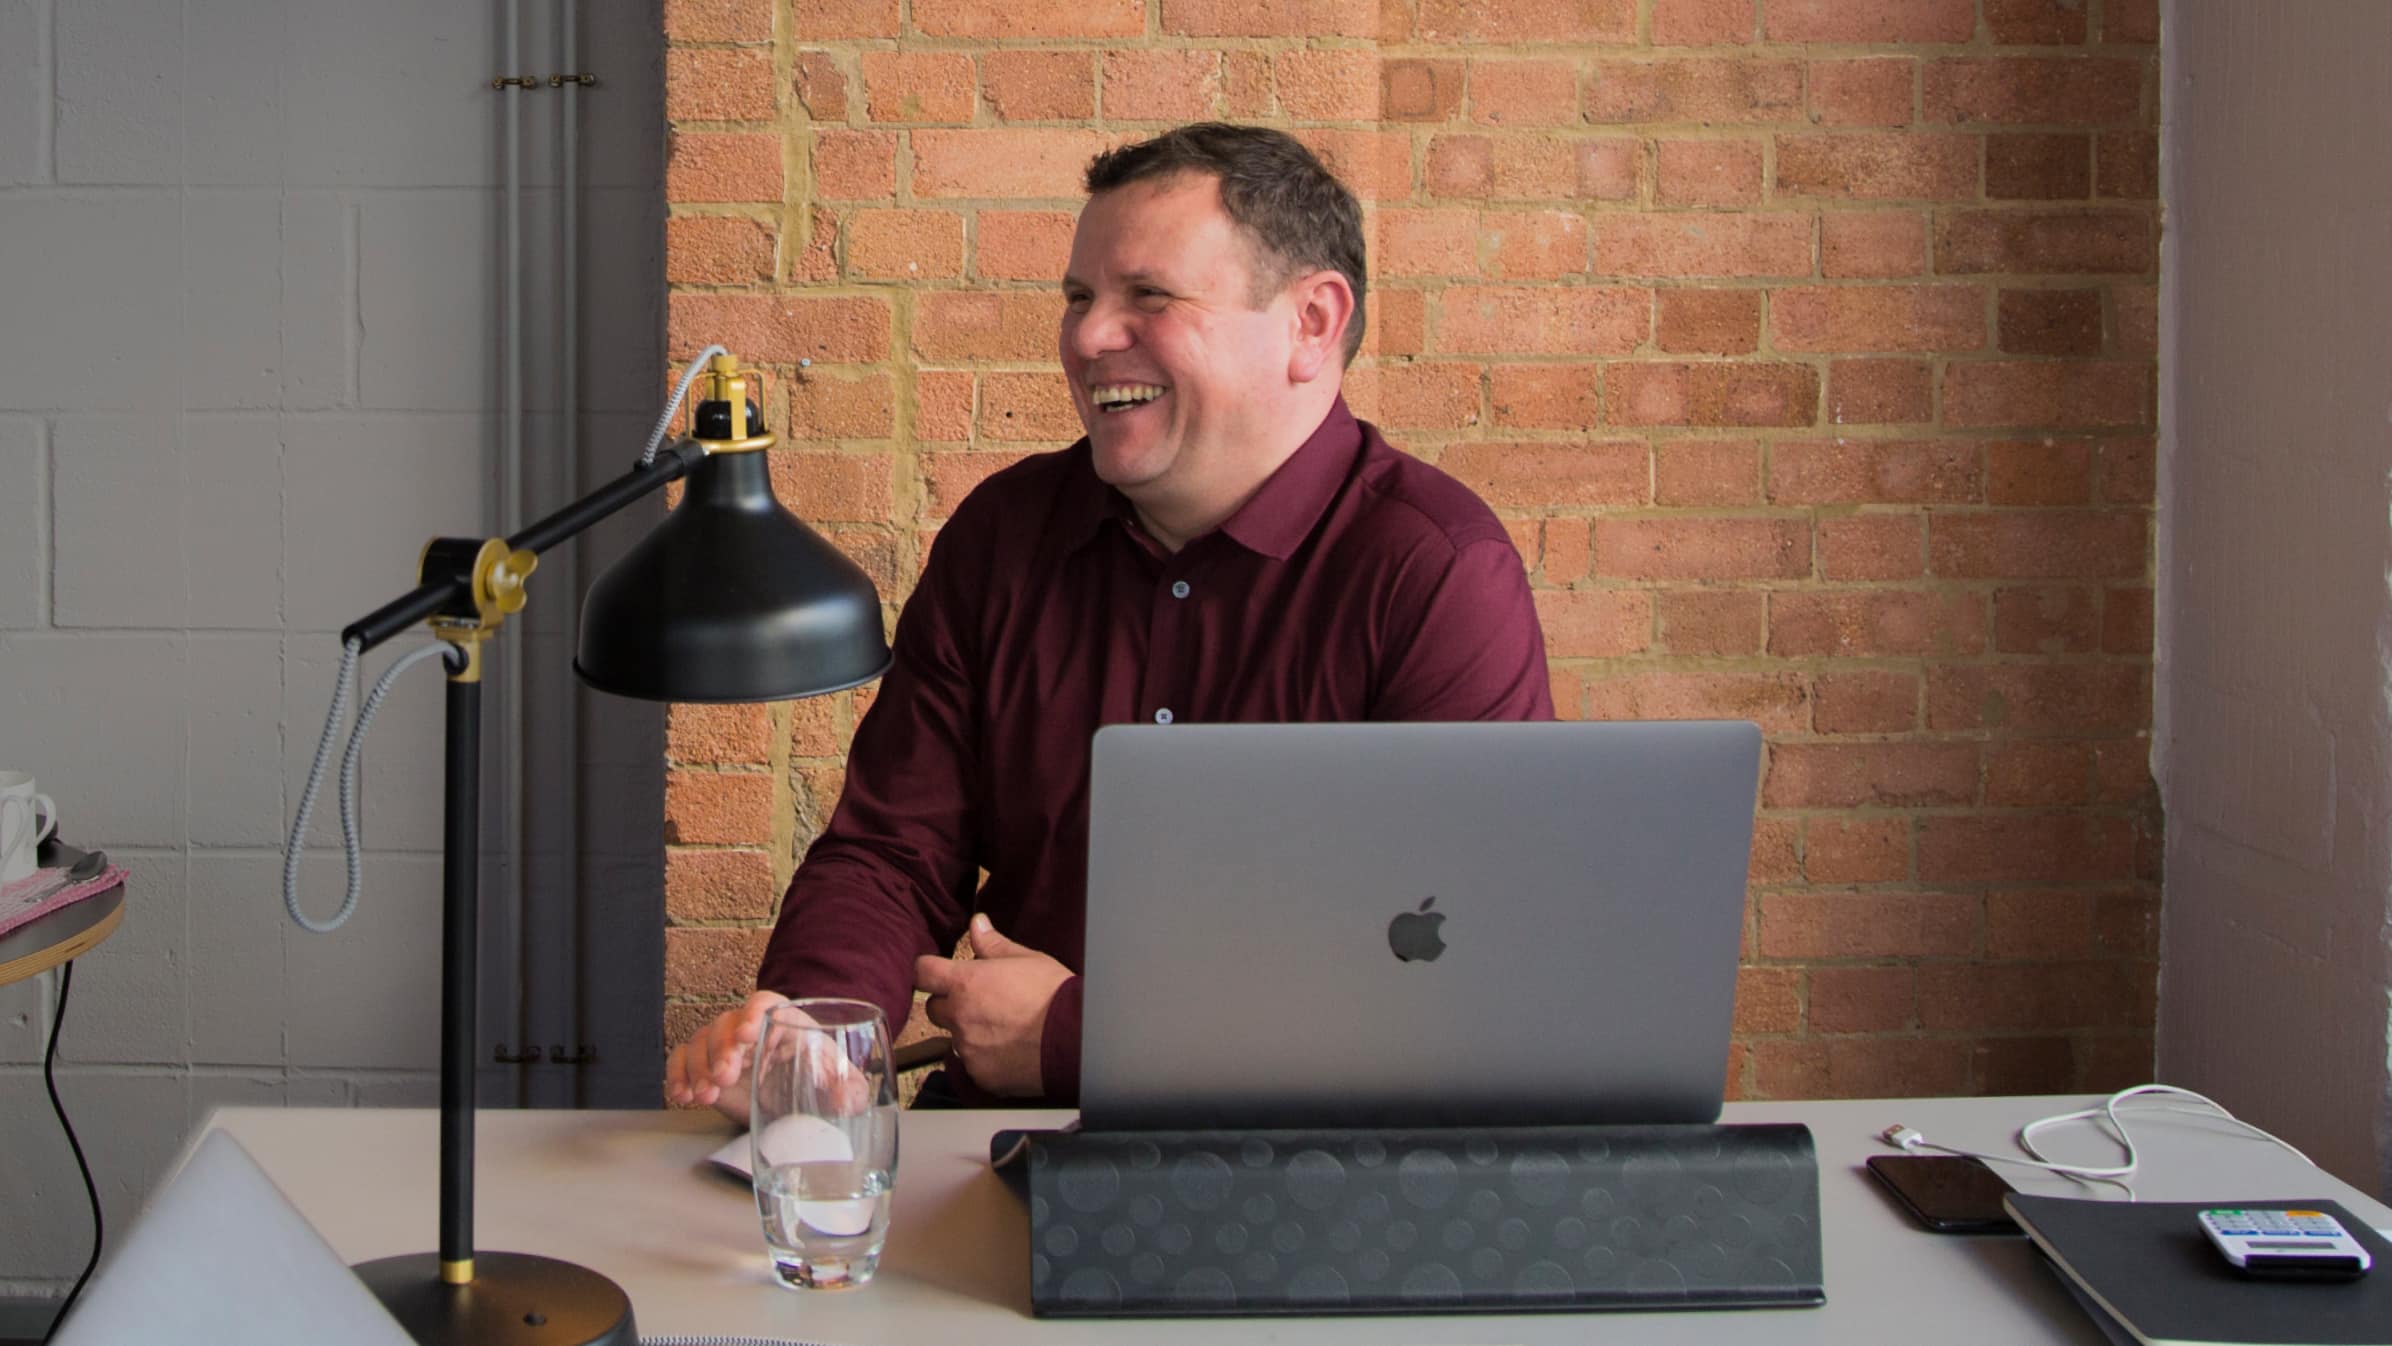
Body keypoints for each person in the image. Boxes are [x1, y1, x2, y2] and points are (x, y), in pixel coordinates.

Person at [664, 123, 1553, 1117]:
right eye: (1079, 299)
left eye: (1149, 297)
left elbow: (1453, 968)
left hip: (1306, 1164)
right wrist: (812, 1032)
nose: (1087, 337)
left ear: (1310, 321)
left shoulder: (1435, 574)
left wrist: (1077, 1037)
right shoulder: (1002, 535)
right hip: (1000, 1145)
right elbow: (893, 850)